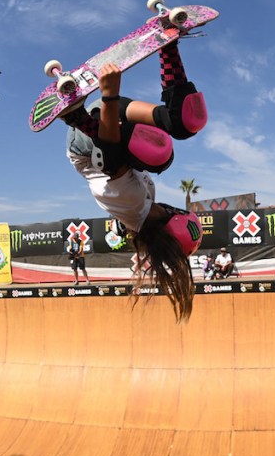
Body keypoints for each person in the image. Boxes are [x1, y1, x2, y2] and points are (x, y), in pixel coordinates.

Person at [63, 44, 207, 322]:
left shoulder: (132, 204)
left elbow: (111, 153)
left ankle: (74, 115)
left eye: (175, 210)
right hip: (111, 121)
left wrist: (109, 94)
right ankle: (168, 46)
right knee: (184, 123)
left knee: (154, 154)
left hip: (87, 138)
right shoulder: (144, 205)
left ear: (173, 218)